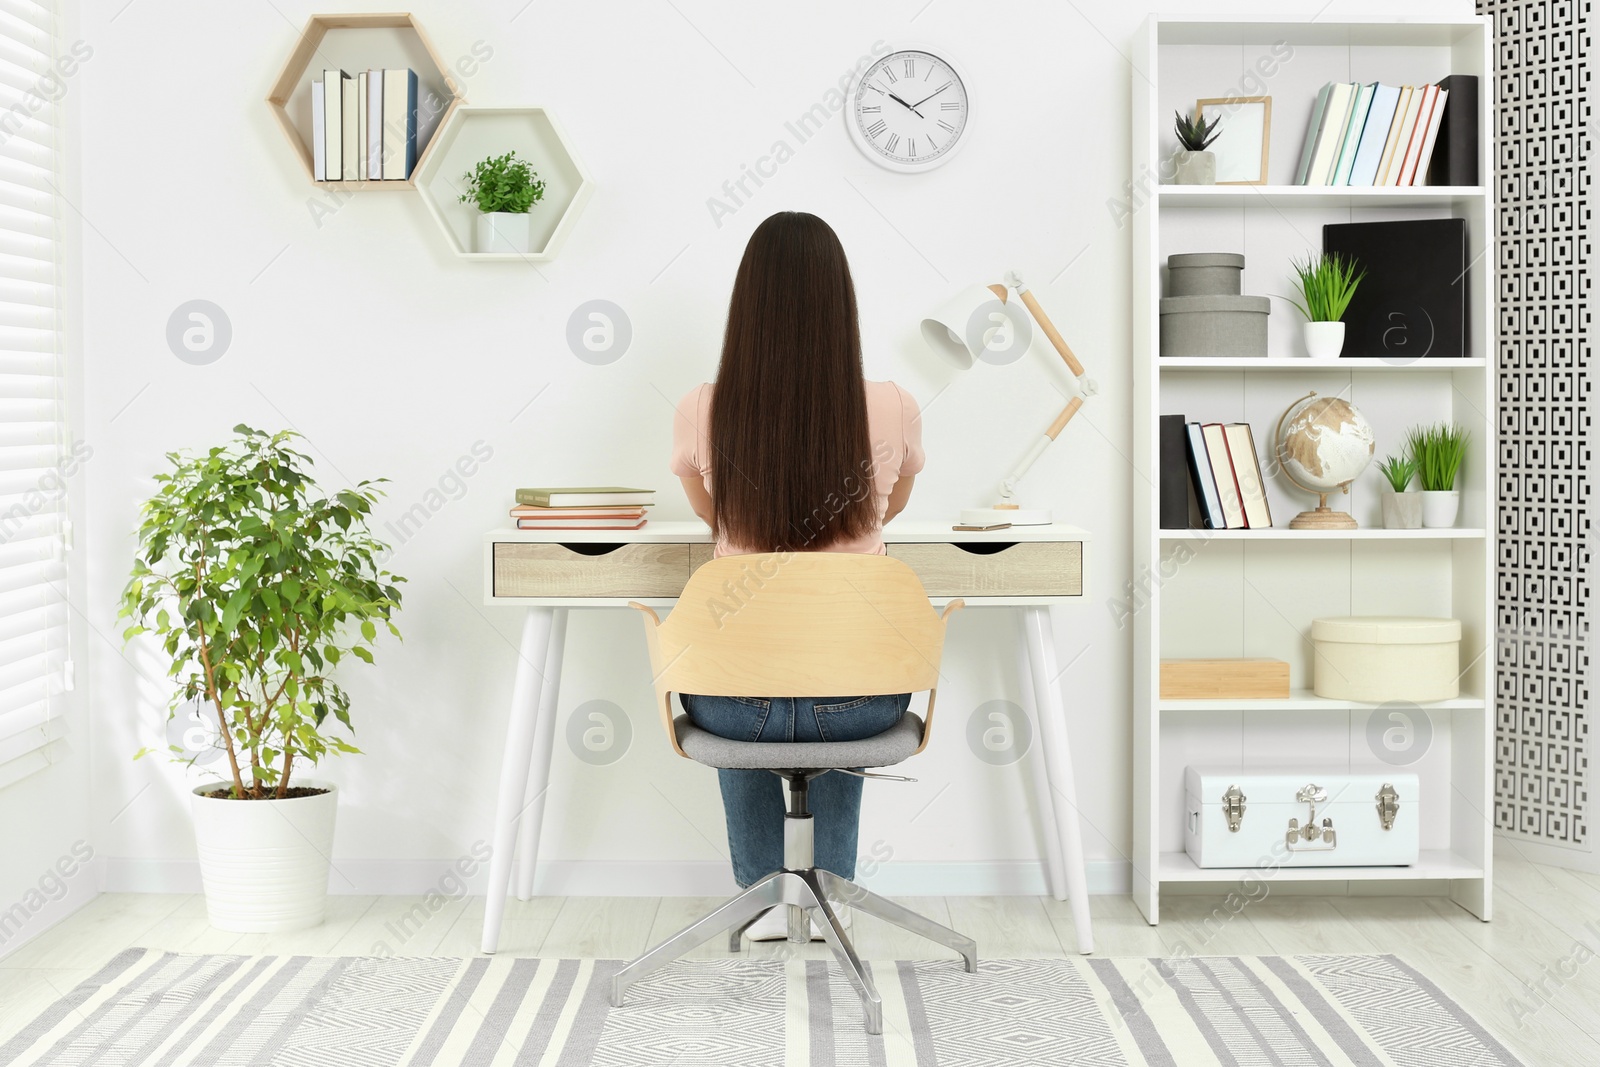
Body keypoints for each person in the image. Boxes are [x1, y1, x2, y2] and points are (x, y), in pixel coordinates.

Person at [669, 210, 925, 941]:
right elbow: (892, 502)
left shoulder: (702, 408)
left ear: (747, 306)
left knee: (731, 663)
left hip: (735, 712)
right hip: (858, 708)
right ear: (840, 305)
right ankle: (827, 894)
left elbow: (713, 514)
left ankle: (762, 897)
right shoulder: (893, 405)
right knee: (849, 661)